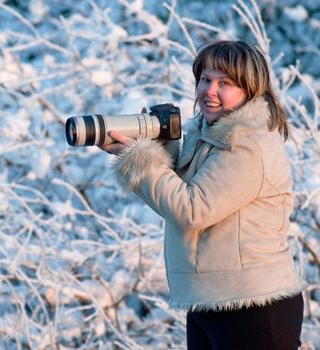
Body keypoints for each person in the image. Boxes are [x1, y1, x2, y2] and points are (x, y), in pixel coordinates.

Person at [100, 40, 305, 349]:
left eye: (225, 83)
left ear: (250, 90)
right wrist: (149, 149)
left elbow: (192, 210)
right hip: (211, 301)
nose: (209, 90)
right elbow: (181, 191)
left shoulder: (247, 144)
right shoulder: (209, 133)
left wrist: (139, 159)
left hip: (252, 307)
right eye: (205, 79)